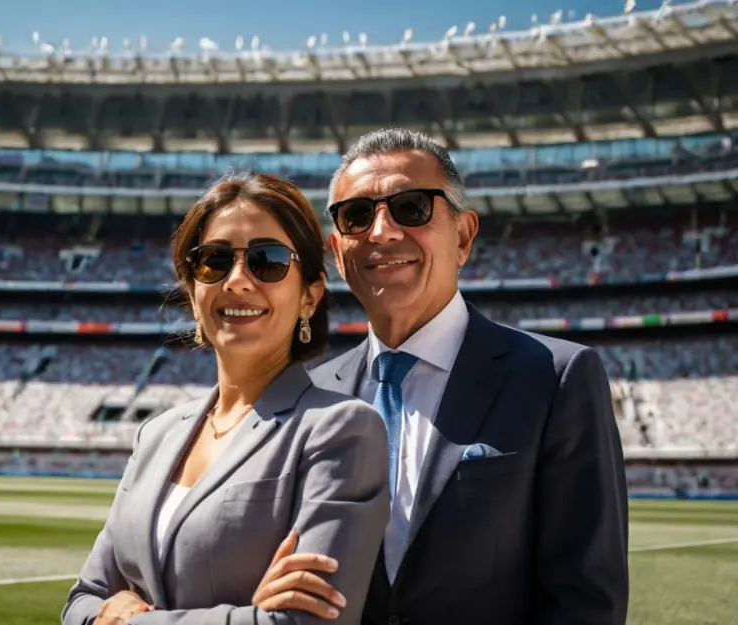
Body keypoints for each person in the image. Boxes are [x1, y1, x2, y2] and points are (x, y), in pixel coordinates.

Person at [252, 128, 630, 625]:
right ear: (338, 251)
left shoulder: (556, 378)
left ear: (464, 236)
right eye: (357, 215)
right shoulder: (311, 394)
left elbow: (586, 603)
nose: (382, 232)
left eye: (411, 207)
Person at [62, 172, 391, 625]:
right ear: (194, 295)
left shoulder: (341, 430)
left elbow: (308, 623)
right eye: (213, 261)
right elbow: (81, 601)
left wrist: (129, 621)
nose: (237, 280)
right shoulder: (155, 435)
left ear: (310, 296)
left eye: (268, 260)